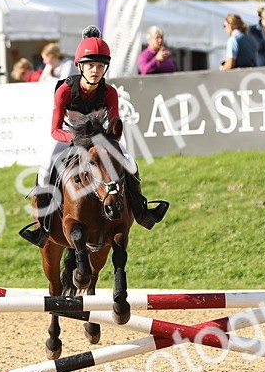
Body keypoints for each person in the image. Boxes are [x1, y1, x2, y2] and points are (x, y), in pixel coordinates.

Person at [19, 26, 169, 248]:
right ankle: (43, 227)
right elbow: (55, 130)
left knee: (130, 162)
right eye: (90, 66)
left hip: (99, 138)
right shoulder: (65, 91)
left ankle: (141, 211)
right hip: (67, 136)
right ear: (80, 66)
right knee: (44, 172)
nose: (95, 71)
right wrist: (74, 139)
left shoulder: (110, 92)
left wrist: (110, 139)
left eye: (100, 66)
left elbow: (115, 125)